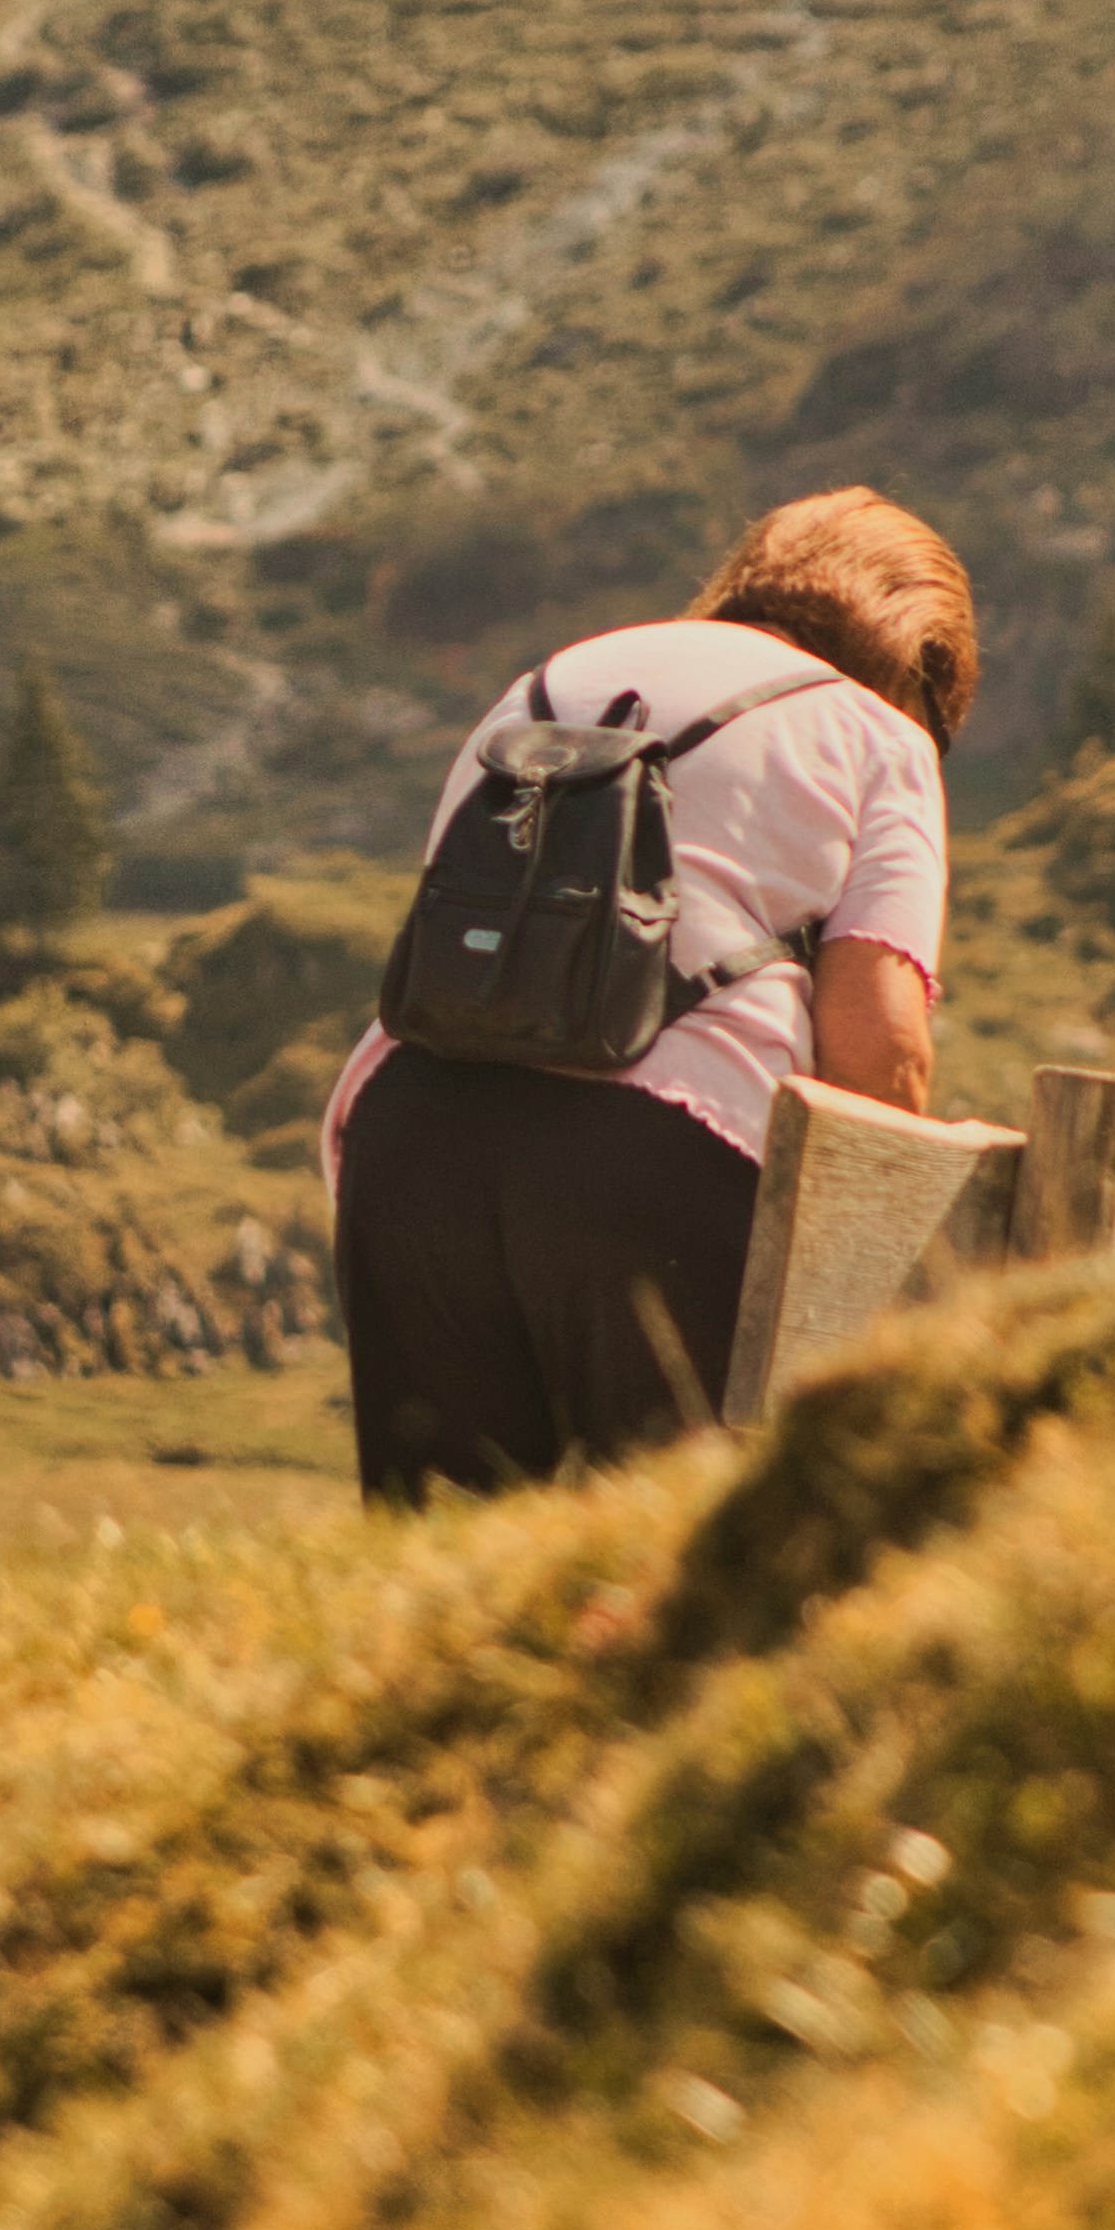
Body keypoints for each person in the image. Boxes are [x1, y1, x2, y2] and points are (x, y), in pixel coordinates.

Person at [326, 487, 977, 1502]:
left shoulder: (550, 679)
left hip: (410, 1134)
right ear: (922, 664)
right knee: (677, 1565)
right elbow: (875, 1050)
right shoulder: (875, 733)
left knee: (445, 1565)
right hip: (659, 1158)